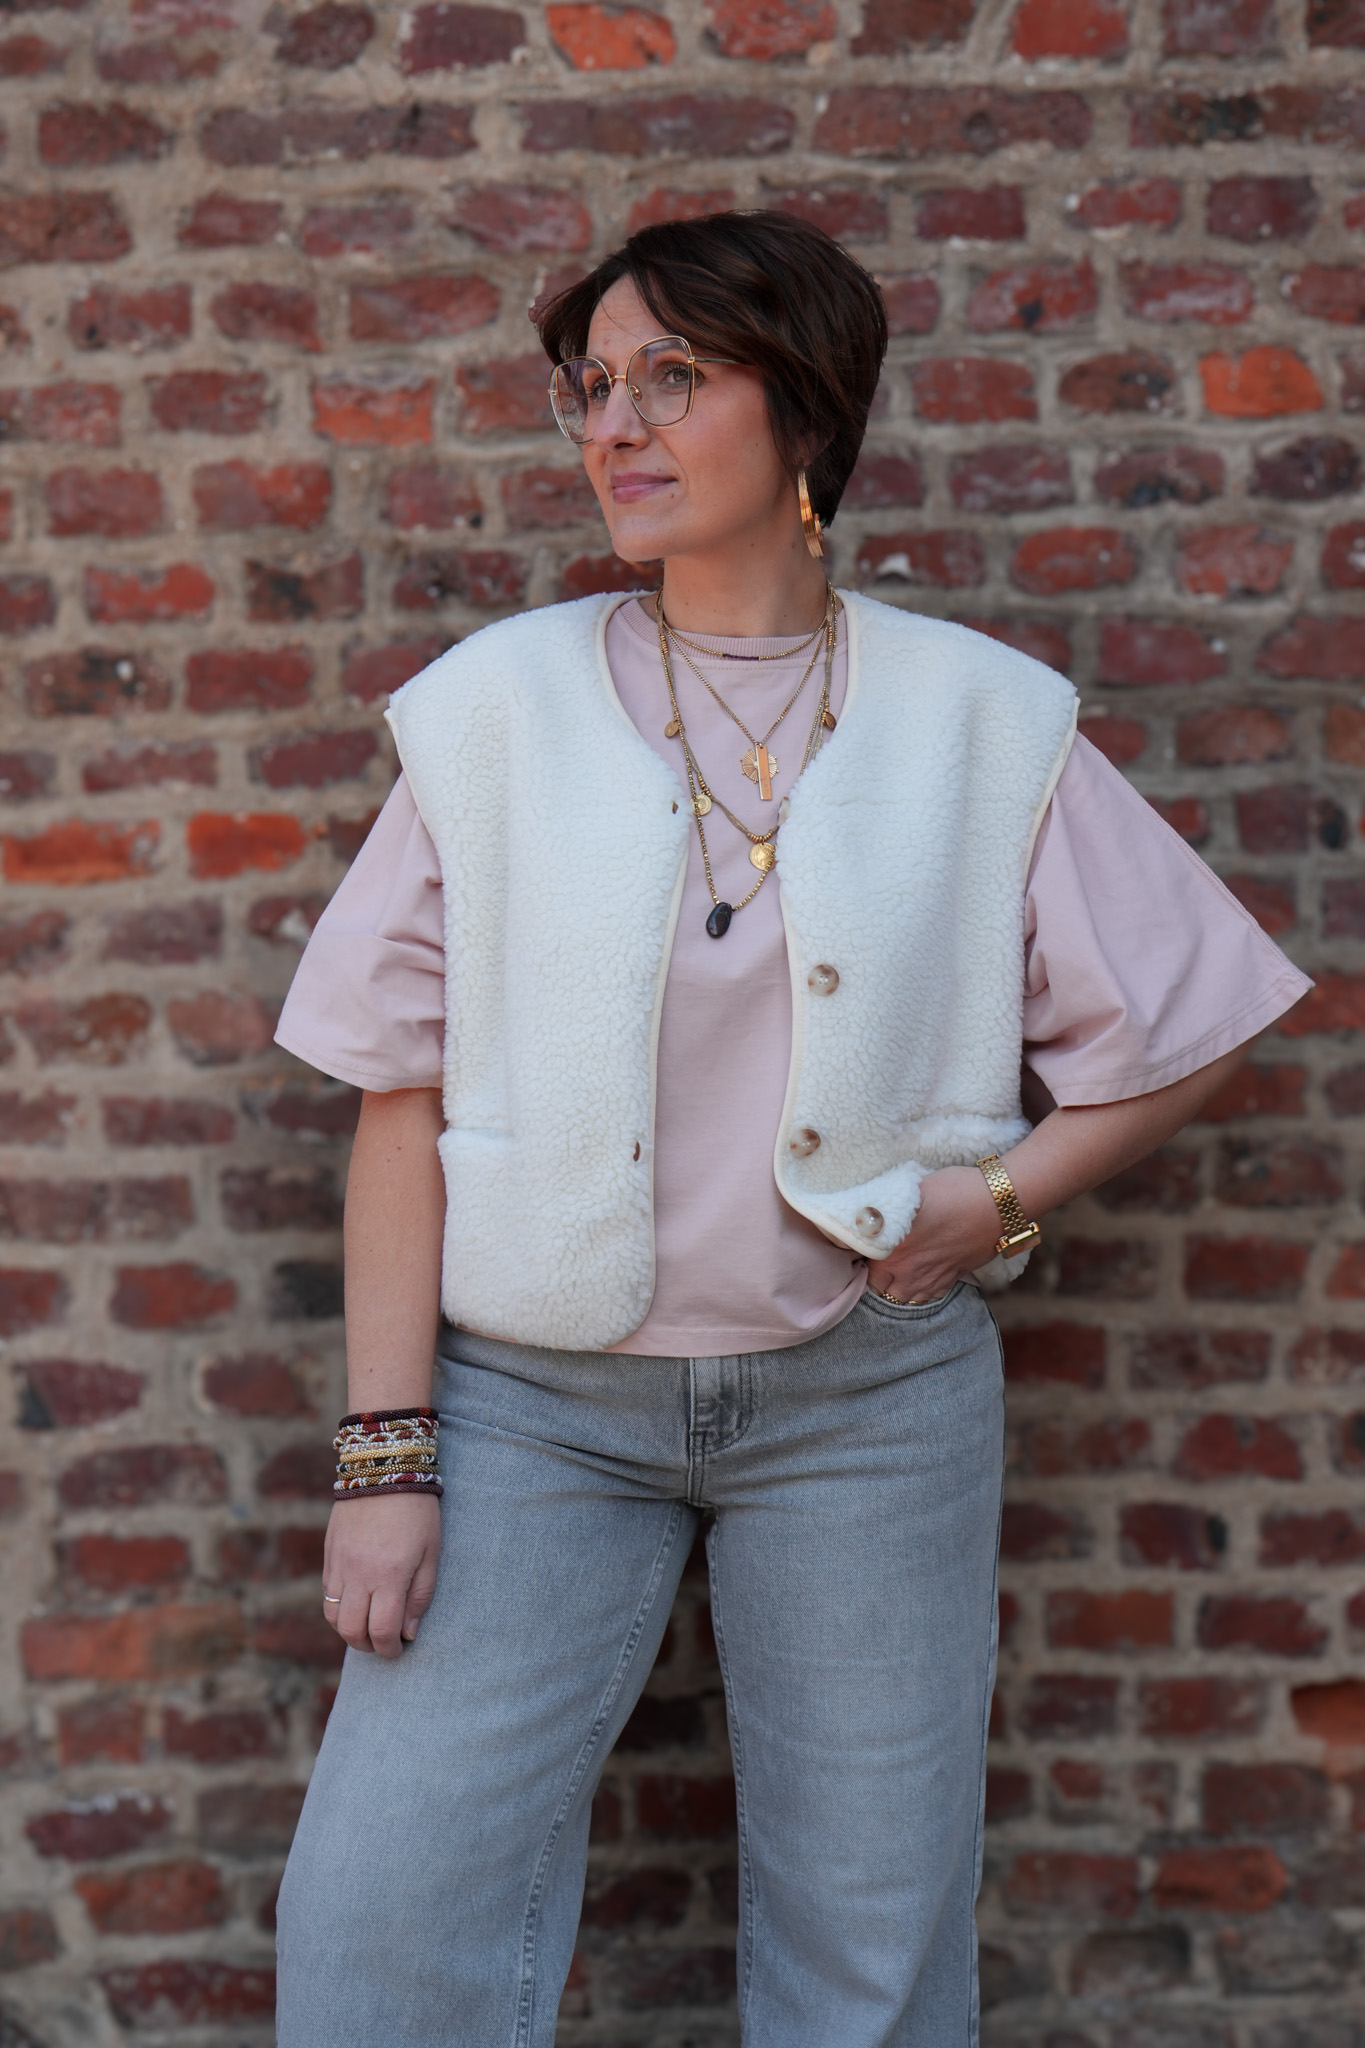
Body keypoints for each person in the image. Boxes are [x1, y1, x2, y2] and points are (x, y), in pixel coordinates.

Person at [272, 212, 1310, 2047]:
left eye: (672, 378)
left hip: (868, 1405)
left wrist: (995, 1201)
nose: (615, 425)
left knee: (870, 1961)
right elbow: (397, 1100)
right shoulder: (491, 714)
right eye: (592, 386)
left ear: (807, 409)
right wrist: (385, 1458)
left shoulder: (977, 718)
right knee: (381, 1921)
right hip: (528, 1409)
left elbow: (1191, 1021)